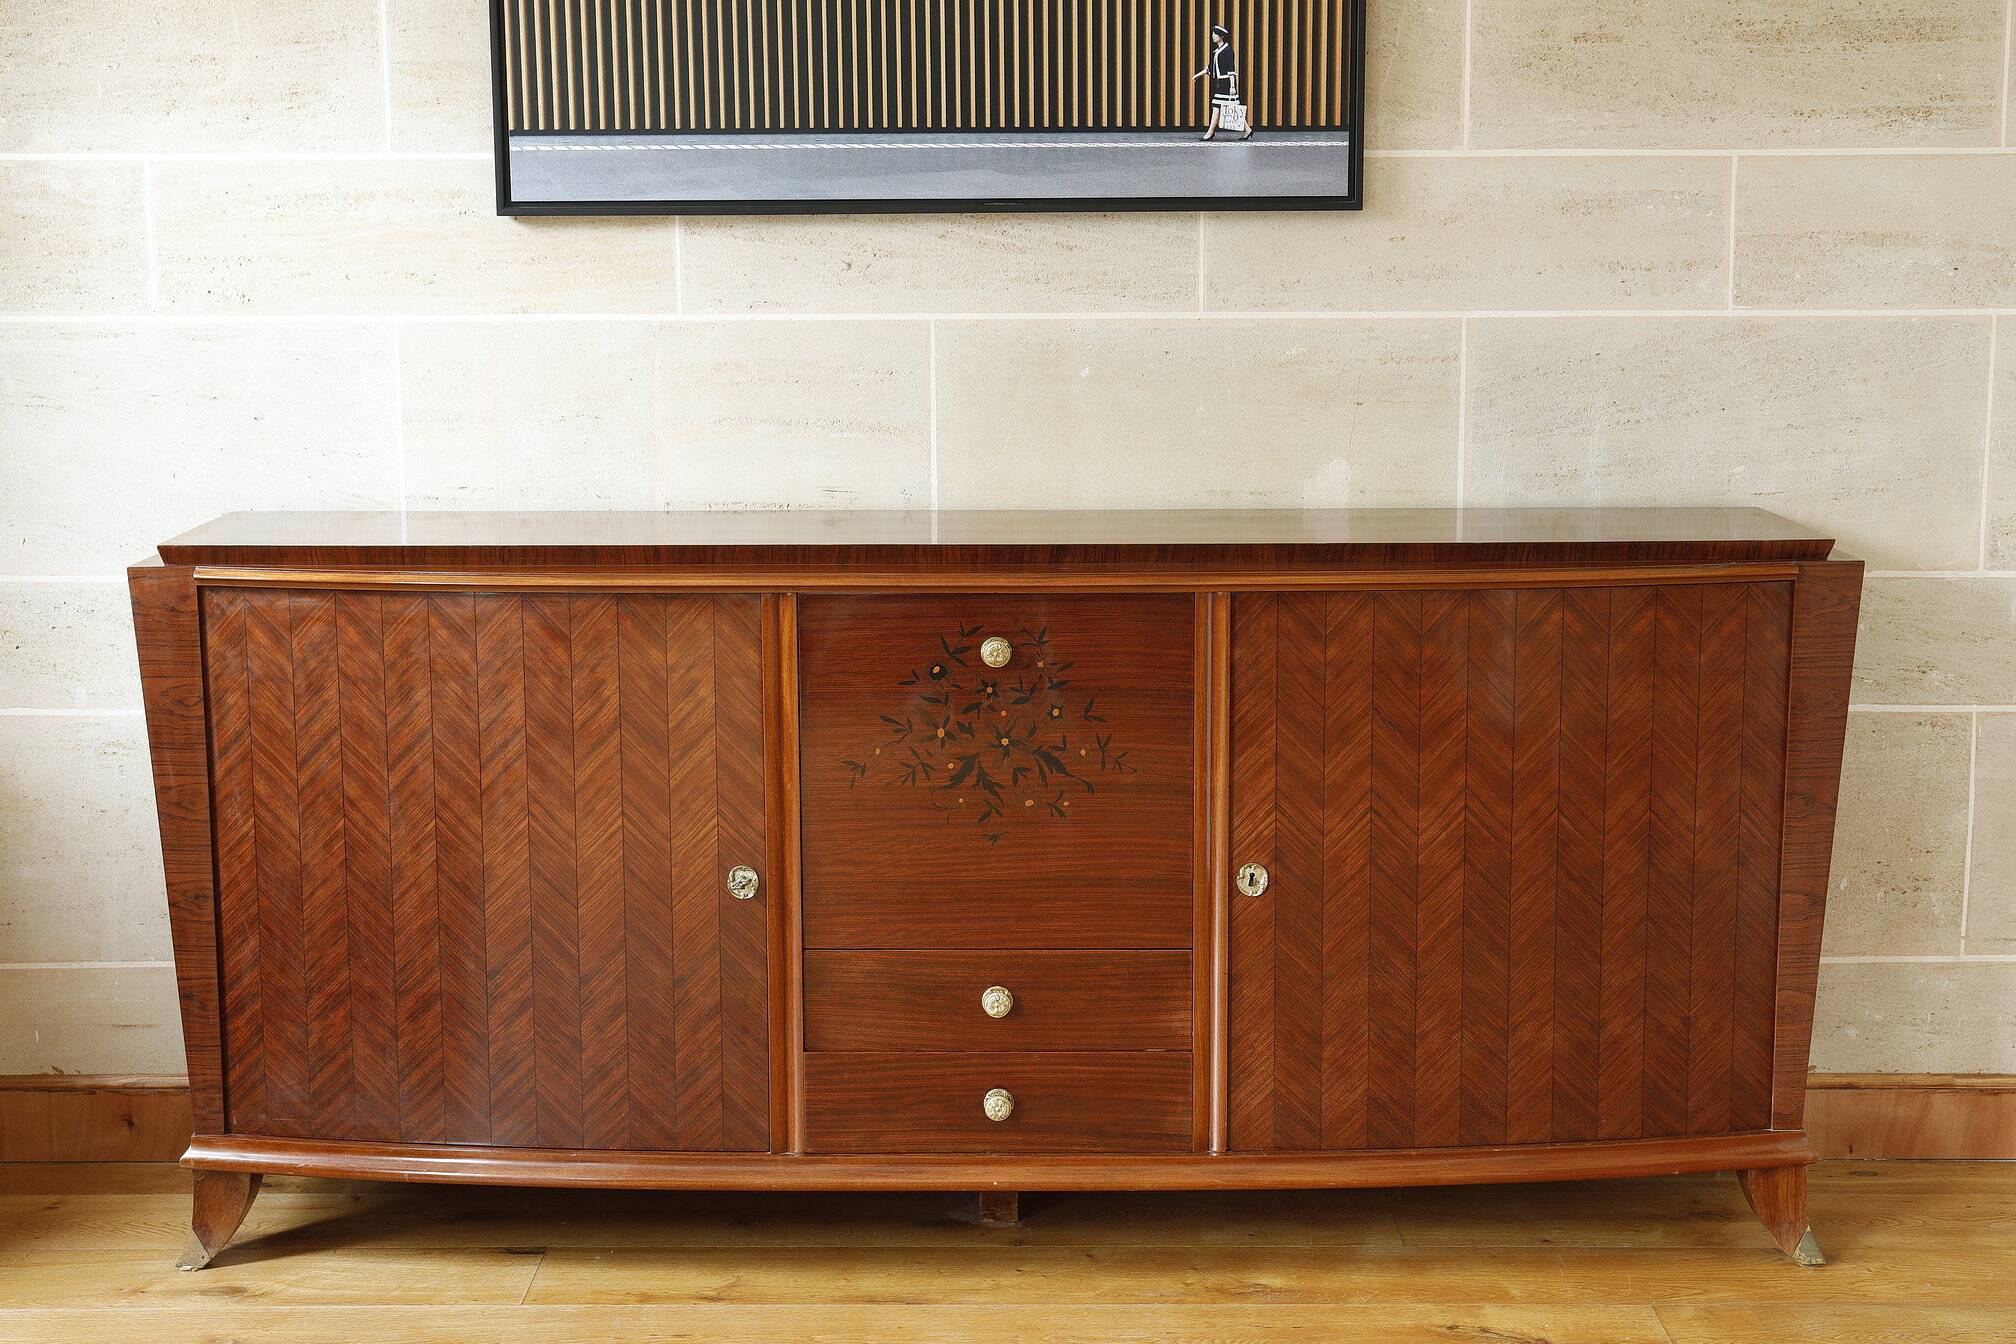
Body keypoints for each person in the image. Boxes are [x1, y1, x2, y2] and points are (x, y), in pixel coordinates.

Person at [1190, 24, 1252, 141]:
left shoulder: (1228, 51)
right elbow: (1210, 68)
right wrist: (1197, 76)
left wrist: (1232, 86)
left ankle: (1210, 133)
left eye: (1215, 34)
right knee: (1232, 106)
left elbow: (1231, 70)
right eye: (1213, 34)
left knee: (1217, 106)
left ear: (1221, 36)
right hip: (1222, 82)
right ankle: (1248, 129)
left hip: (1227, 83)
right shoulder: (1216, 52)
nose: (1213, 36)